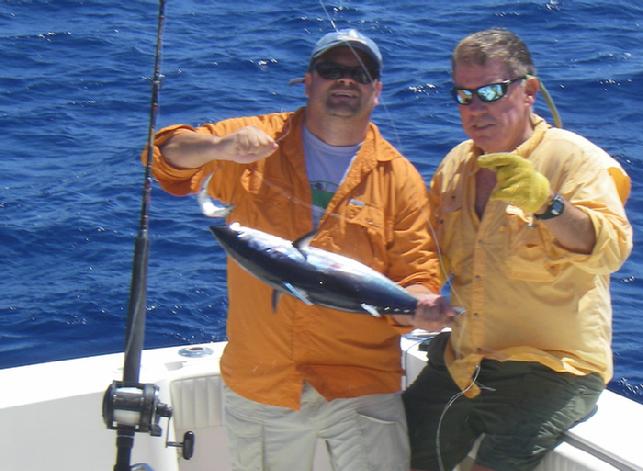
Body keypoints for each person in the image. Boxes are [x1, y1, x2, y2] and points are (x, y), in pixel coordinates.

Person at [146, 29, 446, 471]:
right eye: (331, 70)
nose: (345, 80)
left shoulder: (397, 178)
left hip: (360, 381)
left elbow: (418, 272)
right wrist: (220, 147)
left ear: (376, 91)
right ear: (308, 82)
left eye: (359, 73)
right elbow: (161, 157)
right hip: (264, 383)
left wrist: (417, 306)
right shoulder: (251, 142)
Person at [402, 28, 633, 471]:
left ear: (528, 91)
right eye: (464, 96)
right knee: (391, 450)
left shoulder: (575, 159)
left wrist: (548, 205)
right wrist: (416, 292)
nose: (477, 108)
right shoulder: (454, 166)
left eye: (490, 91)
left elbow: (610, 250)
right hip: (466, 359)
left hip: (553, 368)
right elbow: (427, 256)